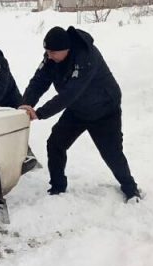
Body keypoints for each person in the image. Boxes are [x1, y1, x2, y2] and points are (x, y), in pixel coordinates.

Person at [20, 26, 141, 202]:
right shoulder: (51, 58)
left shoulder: (86, 56)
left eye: (53, 52)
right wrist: (26, 104)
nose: (49, 56)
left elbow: (70, 93)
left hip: (104, 110)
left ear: (66, 49)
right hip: (78, 109)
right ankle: (57, 187)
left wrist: (39, 113)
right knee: (55, 143)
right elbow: (39, 81)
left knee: (112, 153)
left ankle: (131, 190)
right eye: (47, 52)